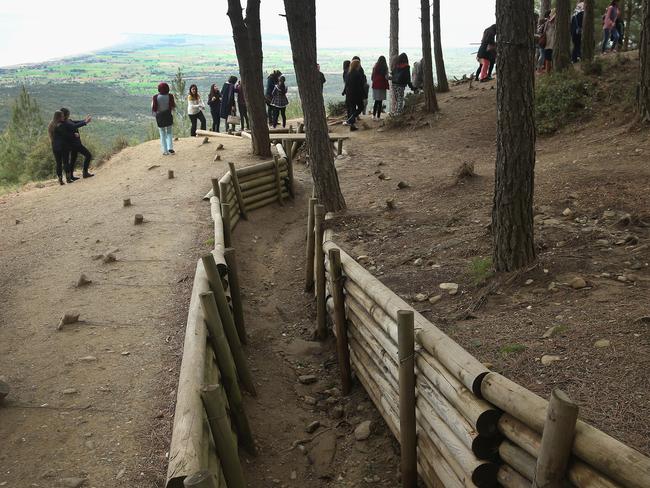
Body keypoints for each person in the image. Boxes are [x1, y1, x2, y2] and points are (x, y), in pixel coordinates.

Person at [61, 107, 93, 178]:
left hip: (73, 144)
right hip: (75, 144)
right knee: (88, 155)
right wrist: (85, 122)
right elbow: (74, 126)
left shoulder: (68, 121)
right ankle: (85, 173)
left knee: (73, 159)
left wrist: (84, 120)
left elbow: (76, 122)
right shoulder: (65, 123)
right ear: (66, 114)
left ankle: (71, 176)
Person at [152, 82, 176, 155]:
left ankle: (165, 151)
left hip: (160, 116)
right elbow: (173, 107)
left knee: (162, 133)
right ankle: (170, 148)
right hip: (168, 115)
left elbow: (153, 107)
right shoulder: (170, 96)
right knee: (169, 132)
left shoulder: (155, 97)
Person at [48, 111, 71, 185]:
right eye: (62, 116)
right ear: (59, 117)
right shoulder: (61, 125)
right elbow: (66, 135)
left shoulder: (51, 125)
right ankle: (68, 178)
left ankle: (60, 180)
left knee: (58, 163)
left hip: (55, 146)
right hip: (63, 146)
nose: (63, 117)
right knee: (66, 162)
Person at [343, 59, 365, 131]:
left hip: (349, 94)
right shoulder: (357, 74)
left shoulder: (348, 73)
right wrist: (364, 94)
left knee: (352, 109)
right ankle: (351, 120)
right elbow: (360, 86)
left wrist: (344, 92)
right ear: (357, 65)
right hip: (356, 94)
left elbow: (346, 84)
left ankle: (352, 126)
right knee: (361, 107)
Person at [371, 56, 390, 120]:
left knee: (376, 101)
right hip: (382, 85)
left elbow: (372, 77)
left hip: (375, 85)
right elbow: (387, 77)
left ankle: (373, 116)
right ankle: (378, 117)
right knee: (380, 101)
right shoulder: (385, 67)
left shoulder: (375, 67)